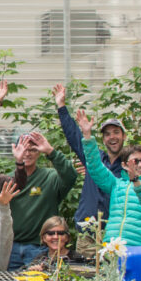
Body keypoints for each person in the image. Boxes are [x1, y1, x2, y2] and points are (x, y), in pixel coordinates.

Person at [53, 83, 124, 257]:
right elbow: (74, 137)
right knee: (85, 272)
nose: (112, 137)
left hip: (116, 237)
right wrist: (61, 106)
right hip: (88, 236)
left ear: (124, 136)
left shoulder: (129, 164)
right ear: (103, 139)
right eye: (107, 134)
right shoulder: (94, 159)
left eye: (116, 132)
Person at [78, 110, 141, 246]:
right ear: (124, 165)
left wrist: (136, 181)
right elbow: (95, 167)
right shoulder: (116, 183)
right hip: (113, 245)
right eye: (135, 161)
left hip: (139, 246)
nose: (139, 164)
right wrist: (87, 135)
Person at [8, 131, 78, 269]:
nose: (28, 154)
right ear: (15, 151)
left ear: (39, 152)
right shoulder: (7, 180)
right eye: (24, 149)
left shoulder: (50, 177)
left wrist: (51, 152)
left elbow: (70, 175)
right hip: (11, 248)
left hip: (39, 248)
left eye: (33, 150)